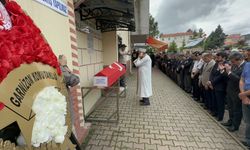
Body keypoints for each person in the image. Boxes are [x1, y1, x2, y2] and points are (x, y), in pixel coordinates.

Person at [58, 55, 81, 150]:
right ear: (59, 60)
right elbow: (74, 80)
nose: (66, 61)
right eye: (64, 59)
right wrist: (64, 67)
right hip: (63, 111)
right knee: (68, 135)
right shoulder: (59, 68)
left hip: (59, 110)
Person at [221, 52, 246, 132]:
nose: (232, 63)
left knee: (237, 110)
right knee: (231, 108)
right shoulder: (235, 65)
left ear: (239, 59)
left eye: (233, 61)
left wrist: (229, 72)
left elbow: (239, 80)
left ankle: (235, 125)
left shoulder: (245, 67)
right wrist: (223, 71)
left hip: (237, 92)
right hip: (230, 90)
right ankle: (230, 121)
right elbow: (229, 76)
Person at [208, 52, 228, 121]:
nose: (216, 59)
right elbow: (212, 73)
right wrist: (210, 81)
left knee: (220, 102)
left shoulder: (226, 64)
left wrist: (212, 82)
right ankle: (215, 112)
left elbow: (221, 76)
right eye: (216, 57)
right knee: (215, 100)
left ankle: (220, 116)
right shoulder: (216, 63)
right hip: (213, 85)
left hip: (220, 86)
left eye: (218, 57)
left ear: (223, 57)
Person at [239, 55, 250, 148]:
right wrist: (243, 94)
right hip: (245, 95)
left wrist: (244, 94)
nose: (247, 56)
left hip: (246, 94)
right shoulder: (247, 65)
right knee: (247, 120)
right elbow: (242, 79)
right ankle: (247, 139)